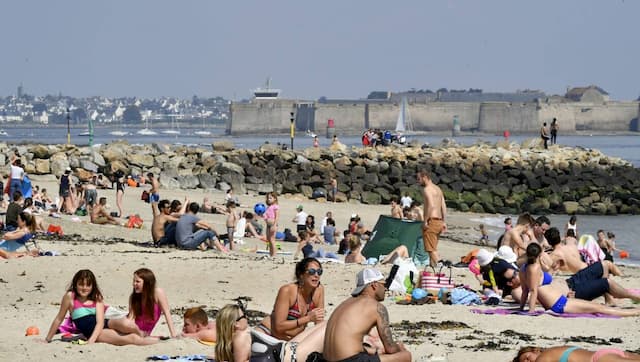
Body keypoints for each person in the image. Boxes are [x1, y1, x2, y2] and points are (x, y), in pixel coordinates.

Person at [519, 243, 640, 317]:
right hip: (559, 304)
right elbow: (533, 291)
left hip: (561, 299)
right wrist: (531, 311)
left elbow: (525, 291)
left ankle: (634, 309)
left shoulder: (524, 268)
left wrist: (521, 308)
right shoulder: (534, 269)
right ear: (539, 255)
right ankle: (634, 312)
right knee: (598, 308)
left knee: (596, 306)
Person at [45, 269, 158, 345]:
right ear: (75, 284)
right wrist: (47, 339)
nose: (84, 288)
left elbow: (100, 322)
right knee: (129, 339)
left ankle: (143, 334)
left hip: (104, 323)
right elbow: (59, 319)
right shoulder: (70, 297)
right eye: (81, 284)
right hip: (95, 332)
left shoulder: (97, 297)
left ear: (92, 286)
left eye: (88, 285)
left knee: (126, 324)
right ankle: (157, 341)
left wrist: (90, 342)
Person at [323, 268, 412, 362]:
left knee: (374, 352)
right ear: (374, 285)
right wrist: (400, 348)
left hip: (325, 359)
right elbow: (391, 348)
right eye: (383, 284)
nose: (385, 288)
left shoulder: (345, 303)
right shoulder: (377, 307)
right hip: (349, 360)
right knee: (405, 356)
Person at [216, 302, 325, 362]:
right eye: (244, 316)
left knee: (324, 325)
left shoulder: (238, 339)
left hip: (288, 349)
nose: (247, 319)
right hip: (291, 355)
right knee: (328, 326)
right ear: (236, 324)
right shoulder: (240, 337)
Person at [258, 257, 325, 340]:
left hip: (292, 341)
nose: (316, 275)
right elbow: (279, 326)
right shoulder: (287, 291)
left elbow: (319, 323)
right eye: (312, 272)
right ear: (301, 275)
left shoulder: (319, 290)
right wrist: (307, 318)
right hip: (268, 334)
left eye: (319, 272)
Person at [128, 268, 177, 337]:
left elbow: (167, 312)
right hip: (133, 330)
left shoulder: (157, 293)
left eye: (137, 281)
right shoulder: (134, 297)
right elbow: (130, 318)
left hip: (141, 334)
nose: (134, 284)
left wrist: (173, 335)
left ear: (147, 282)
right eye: (133, 281)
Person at [417, 168, 447, 268]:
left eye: (419, 179)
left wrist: (425, 221)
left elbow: (430, 205)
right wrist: (444, 221)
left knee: (430, 249)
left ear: (424, 177)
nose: (418, 181)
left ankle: (440, 266)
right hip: (439, 221)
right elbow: (443, 206)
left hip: (431, 220)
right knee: (433, 246)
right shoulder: (438, 189)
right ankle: (433, 267)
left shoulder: (427, 190)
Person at [513, 345, 640, 362]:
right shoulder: (556, 350)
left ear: (535, 350)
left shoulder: (543, 358)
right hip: (605, 353)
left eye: (527, 358)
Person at [264, 192, 280, 257]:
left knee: (272, 239)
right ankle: (270, 254)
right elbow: (265, 216)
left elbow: (277, 216)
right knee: (269, 239)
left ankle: (274, 255)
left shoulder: (275, 206)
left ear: (275, 199)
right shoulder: (268, 207)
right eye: (268, 198)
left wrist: (274, 225)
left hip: (273, 224)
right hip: (268, 225)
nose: (269, 199)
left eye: (270, 198)